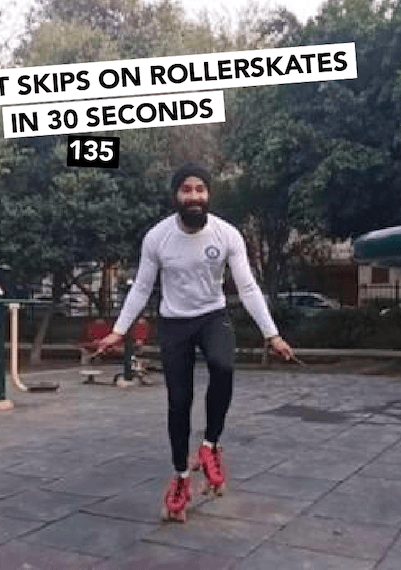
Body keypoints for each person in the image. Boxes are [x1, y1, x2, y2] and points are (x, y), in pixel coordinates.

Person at [96, 161, 294, 521]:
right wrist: (119, 330)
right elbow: (142, 287)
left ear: (208, 194)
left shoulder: (227, 234)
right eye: (186, 190)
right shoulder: (157, 238)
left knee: (223, 366)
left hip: (212, 317)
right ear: (176, 196)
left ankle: (210, 445)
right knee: (179, 403)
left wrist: (272, 334)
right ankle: (181, 476)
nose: (194, 197)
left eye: (200, 190)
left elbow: (247, 287)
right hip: (174, 323)